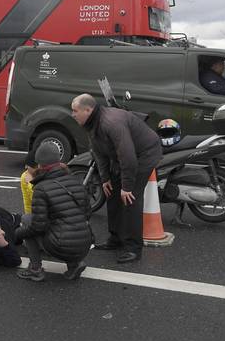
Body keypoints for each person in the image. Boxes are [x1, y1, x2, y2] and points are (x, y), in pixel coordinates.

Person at [71, 93, 162, 263]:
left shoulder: (110, 123)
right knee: (112, 192)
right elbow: (98, 153)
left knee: (130, 199)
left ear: (88, 110)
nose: (72, 114)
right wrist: (105, 179)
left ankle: (134, 248)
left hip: (144, 154)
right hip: (121, 156)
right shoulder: (91, 123)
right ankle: (116, 238)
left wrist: (127, 187)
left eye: (75, 111)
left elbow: (128, 157)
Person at [15, 142, 92, 282]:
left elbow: (38, 226)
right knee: (66, 222)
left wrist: (18, 234)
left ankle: (35, 269)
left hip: (62, 245)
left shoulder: (41, 188)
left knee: (27, 220)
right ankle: (74, 264)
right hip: (85, 243)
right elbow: (87, 213)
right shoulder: (76, 180)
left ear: (39, 164)